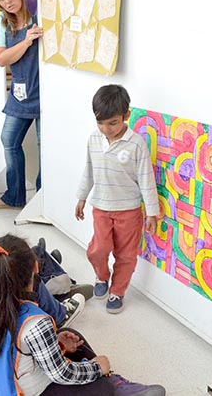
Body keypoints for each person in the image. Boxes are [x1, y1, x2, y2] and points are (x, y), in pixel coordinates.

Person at [0, 235, 165, 396]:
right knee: (102, 389)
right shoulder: (37, 323)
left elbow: (13, 348)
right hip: (28, 391)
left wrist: (57, 342)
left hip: (6, 386)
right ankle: (110, 382)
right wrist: (97, 367)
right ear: (36, 268)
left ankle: (110, 380)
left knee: (68, 333)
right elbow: (61, 374)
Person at [74, 84, 159, 314]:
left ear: (126, 116)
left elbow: (146, 180)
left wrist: (152, 212)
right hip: (101, 207)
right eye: (100, 123)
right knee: (97, 250)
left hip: (129, 211)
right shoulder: (94, 139)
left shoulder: (136, 144)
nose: (106, 129)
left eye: (113, 123)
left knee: (126, 255)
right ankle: (102, 277)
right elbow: (88, 171)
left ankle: (118, 291)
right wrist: (82, 197)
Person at [0, 0, 43, 209]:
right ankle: (15, 196)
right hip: (20, 92)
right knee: (9, 140)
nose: (7, 1)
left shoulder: (40, 13)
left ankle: (44, 196)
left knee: (47, 146)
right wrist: (26, 42)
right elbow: (1, 59)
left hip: (45, 92)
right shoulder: (3, 22)